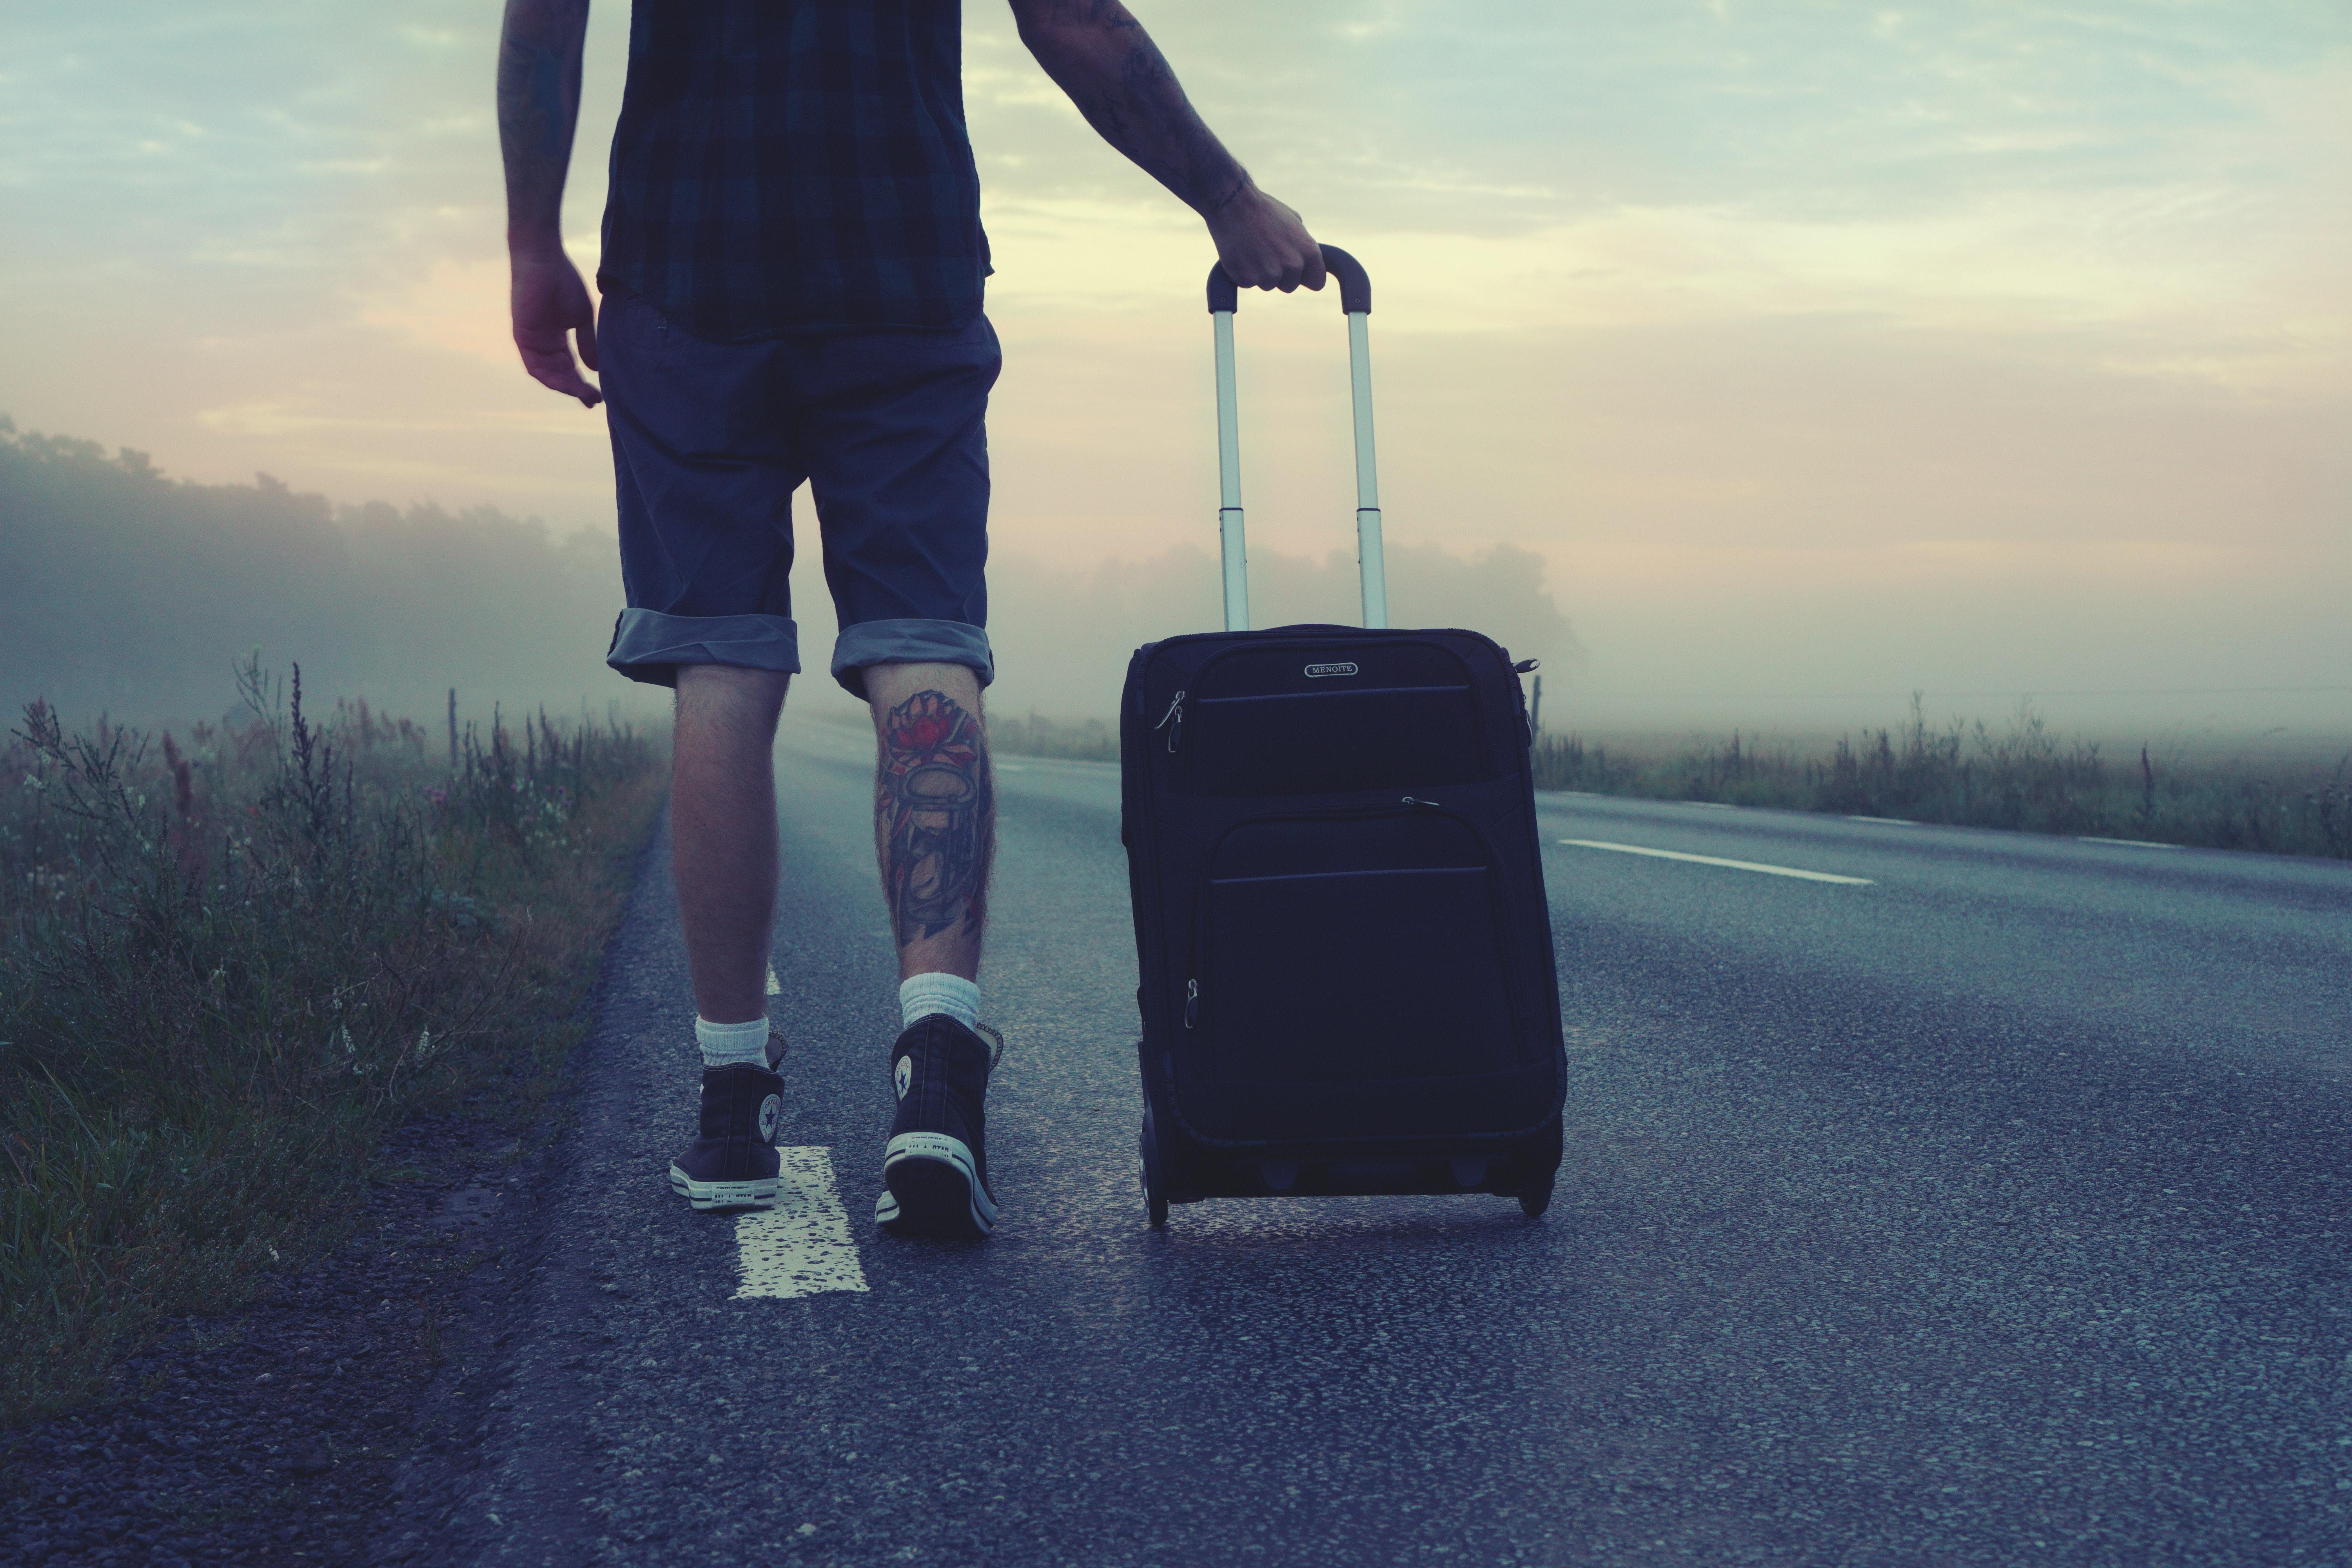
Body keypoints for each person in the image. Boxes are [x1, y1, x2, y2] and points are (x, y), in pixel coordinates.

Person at [497, 0, 1321, 1239]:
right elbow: (1073, 21)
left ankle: (732, 1101)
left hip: (682, 269)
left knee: (719, 663)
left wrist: (531, 245)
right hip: (900, 265)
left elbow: (543, 31)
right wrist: (1226, 196)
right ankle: (936, 1071)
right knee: (922, 644)